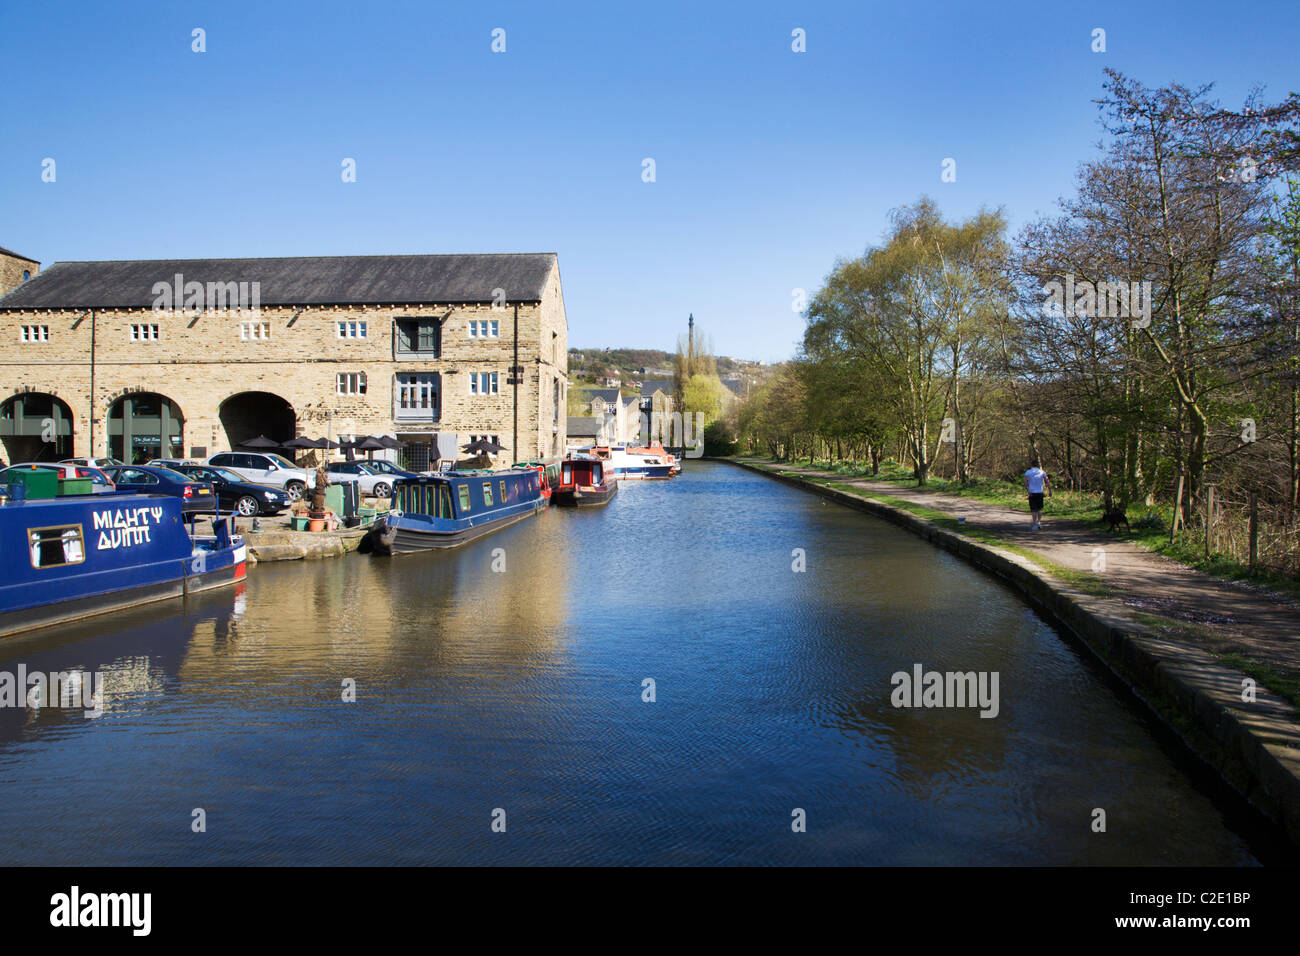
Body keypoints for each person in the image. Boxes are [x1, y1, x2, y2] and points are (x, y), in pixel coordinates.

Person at [1023, 459, 1051, 530]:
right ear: (1037, 465)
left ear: (1031, 464)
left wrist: (1027, 490)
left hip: (1032, 492)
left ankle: (1035, 523)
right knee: (1040, 508)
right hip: (1040, 492)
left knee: (1033, 509)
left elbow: (1025, 481)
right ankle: (1039, 522)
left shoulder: (1028, 472)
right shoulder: (1042, 472)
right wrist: (1050, 491)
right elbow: (1047, 481)